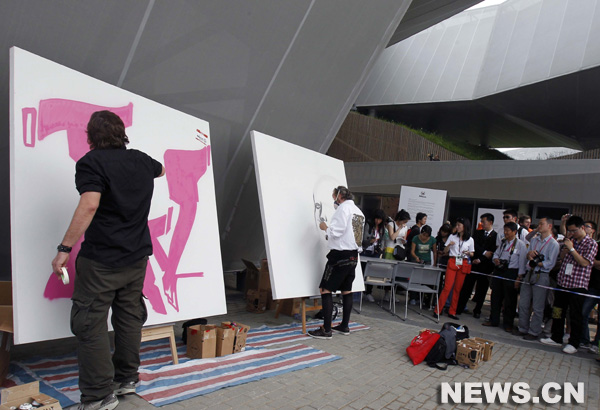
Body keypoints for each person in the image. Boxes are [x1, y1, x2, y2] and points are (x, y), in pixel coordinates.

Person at [51, 111, 165, 410]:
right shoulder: (142, 160)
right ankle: (126, 379)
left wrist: (65, 248)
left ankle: (99, 396)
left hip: (101, 261)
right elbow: (162, 169)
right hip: (136, 257)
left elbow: (89, 205)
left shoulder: (91, 163)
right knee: (129, 317)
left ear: (91, 136)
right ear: (121, 133)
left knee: (90, 324)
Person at [308, 186, 365, 339]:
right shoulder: (359, 212)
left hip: (340, 255)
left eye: (333, 197)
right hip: (353, 256)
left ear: (339, 196)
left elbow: (335, 232)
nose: (333, 201)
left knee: (326, 289)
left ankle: (326, 330)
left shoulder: (343, 210)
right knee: (346, 291)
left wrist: (324, 226)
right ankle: (344, 326)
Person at [541, 216, 598, 354]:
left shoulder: (591, 244)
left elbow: (585, 263)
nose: (571, 233)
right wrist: (565, 251)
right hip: (563, 282)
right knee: (558, 311)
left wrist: (572, 250)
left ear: (582, 228)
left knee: (575, 315)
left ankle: (574, 343)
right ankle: (556, 337)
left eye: (574, 231)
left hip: (577, 285)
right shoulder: (570, 241)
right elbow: (561, 258)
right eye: (569, 231)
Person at [516, 217, 559, 340]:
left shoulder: (553, 244)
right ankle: (522, 328)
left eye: (542, 224)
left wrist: (538, 263)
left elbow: (550, 263)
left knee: (538, 306)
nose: (539, 226)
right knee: (523, 303)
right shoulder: (534, 240)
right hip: (530, 272)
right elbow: (528, 255)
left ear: (549, 226)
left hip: (542, 274)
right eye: (539, 224)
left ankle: (534, 331)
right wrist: (530, 256)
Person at [483, 222, 527, 332]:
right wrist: (496, 260)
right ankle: (494, 320)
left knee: (510, 299)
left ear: (514, 232)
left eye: (508, 231)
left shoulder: (520, 244)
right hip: (499, 271)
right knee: (495, 296)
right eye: (505, 230)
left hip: (511, 272)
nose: (506, 233)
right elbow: (496, 254)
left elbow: (522, 262)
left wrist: (519, 277)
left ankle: (508, 323)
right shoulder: (503, 243)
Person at [456, 213, 498, 319]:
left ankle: (477, 310)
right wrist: (483, 253)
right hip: (474, 264)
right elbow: (474, 246)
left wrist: (482, 258)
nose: (482, 224)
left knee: (482, 289)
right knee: (467, 287)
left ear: (490, 222)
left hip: (485, 266)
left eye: (484, 221)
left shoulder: (496, 236)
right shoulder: (477, 233)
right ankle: (460, 307)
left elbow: (492, 251)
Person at [435, 218, 474, 320]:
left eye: (459, 225)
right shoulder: (452, 237)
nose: (457, 227)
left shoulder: (470, 239)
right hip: (453, 260)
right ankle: (438, 309)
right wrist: (448, 245)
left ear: (464, 226)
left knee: (457, 289)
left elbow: (472, 252)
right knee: (447, 287)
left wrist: (468, 253)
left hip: (463, 262)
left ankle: (452, 311)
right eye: (456, 225)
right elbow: (445, 250)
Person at [361, 209, 386, 302]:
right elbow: (364, 239)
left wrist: (381, 248)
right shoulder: (368, 225)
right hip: (366, 250)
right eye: (376, 219)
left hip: (375, 252)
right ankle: (361, 291)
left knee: (371, 273)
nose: (377, 221)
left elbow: (383, 239)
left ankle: (369, 292)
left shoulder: (382, 228)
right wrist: (370, 240)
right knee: (363, 271)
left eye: (380, 220)